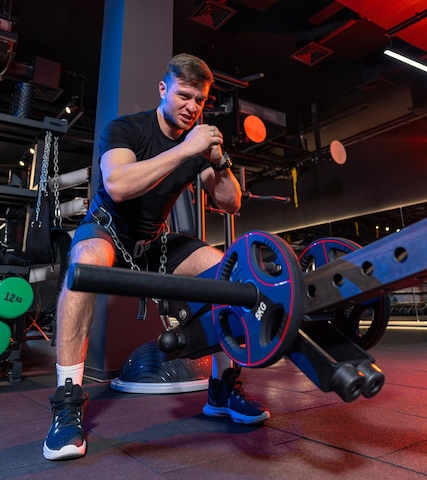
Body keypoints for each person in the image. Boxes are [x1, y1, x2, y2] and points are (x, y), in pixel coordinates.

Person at [43, 53, 270, 461]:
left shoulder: (197, 143)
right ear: (163, 89)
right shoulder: (127, 129)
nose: (191, 107)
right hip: (109, 230)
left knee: (227, 272)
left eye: (199, 101)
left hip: (155, 243)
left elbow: (231, 203)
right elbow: (118, 185)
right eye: (184, 96)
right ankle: (67, 399)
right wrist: (187, 151)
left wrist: (219, 162)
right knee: (86, 263)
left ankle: (222, 386)